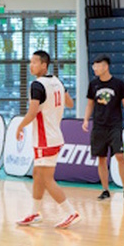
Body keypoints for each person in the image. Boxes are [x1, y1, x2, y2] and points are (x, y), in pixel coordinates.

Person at [16, 50, 79, 229]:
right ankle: (34, 213)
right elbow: (70, 103)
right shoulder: (57, 81)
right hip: (53, 136)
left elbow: (32, 113)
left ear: (44, 65)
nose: (31, 65)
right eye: (30, 62)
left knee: (46, 178)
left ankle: (70, 212)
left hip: (45, 139)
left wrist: (20, 126)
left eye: (34, 62)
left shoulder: (37, 85)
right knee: (37, 175)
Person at [82, 54, 124, 202]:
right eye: (93, 65)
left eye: (97, 65)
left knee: (119, 156)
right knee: (101, 158)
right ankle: (105, 190)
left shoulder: (118, 84)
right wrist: (86, 119)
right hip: (99, 126)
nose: (94, 68)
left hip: (114, 126)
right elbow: (90, 104)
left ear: (105, 67)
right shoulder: (93, 84)